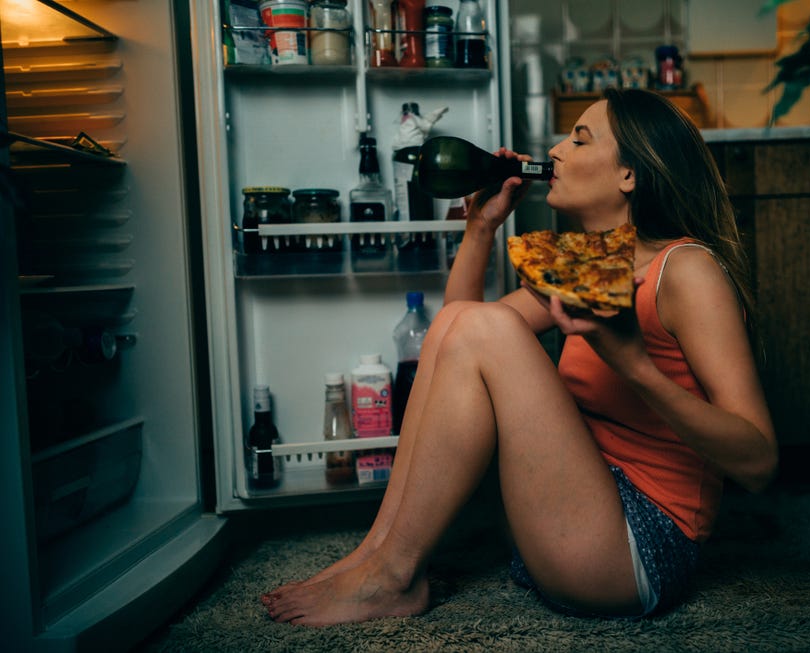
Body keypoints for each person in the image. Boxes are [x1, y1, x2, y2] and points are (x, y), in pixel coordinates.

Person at [262, 88, 778, 626]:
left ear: (629, 174)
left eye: (579, 139)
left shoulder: (687, 270)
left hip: (637, 548)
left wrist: (634, 365)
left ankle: (390, 576)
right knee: (471, 327)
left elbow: (760, 463)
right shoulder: (588, 262)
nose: (554, 150)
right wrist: (480, 228)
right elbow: (452, 342)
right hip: (569, 511)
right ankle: (377, 558)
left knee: (491, 327)